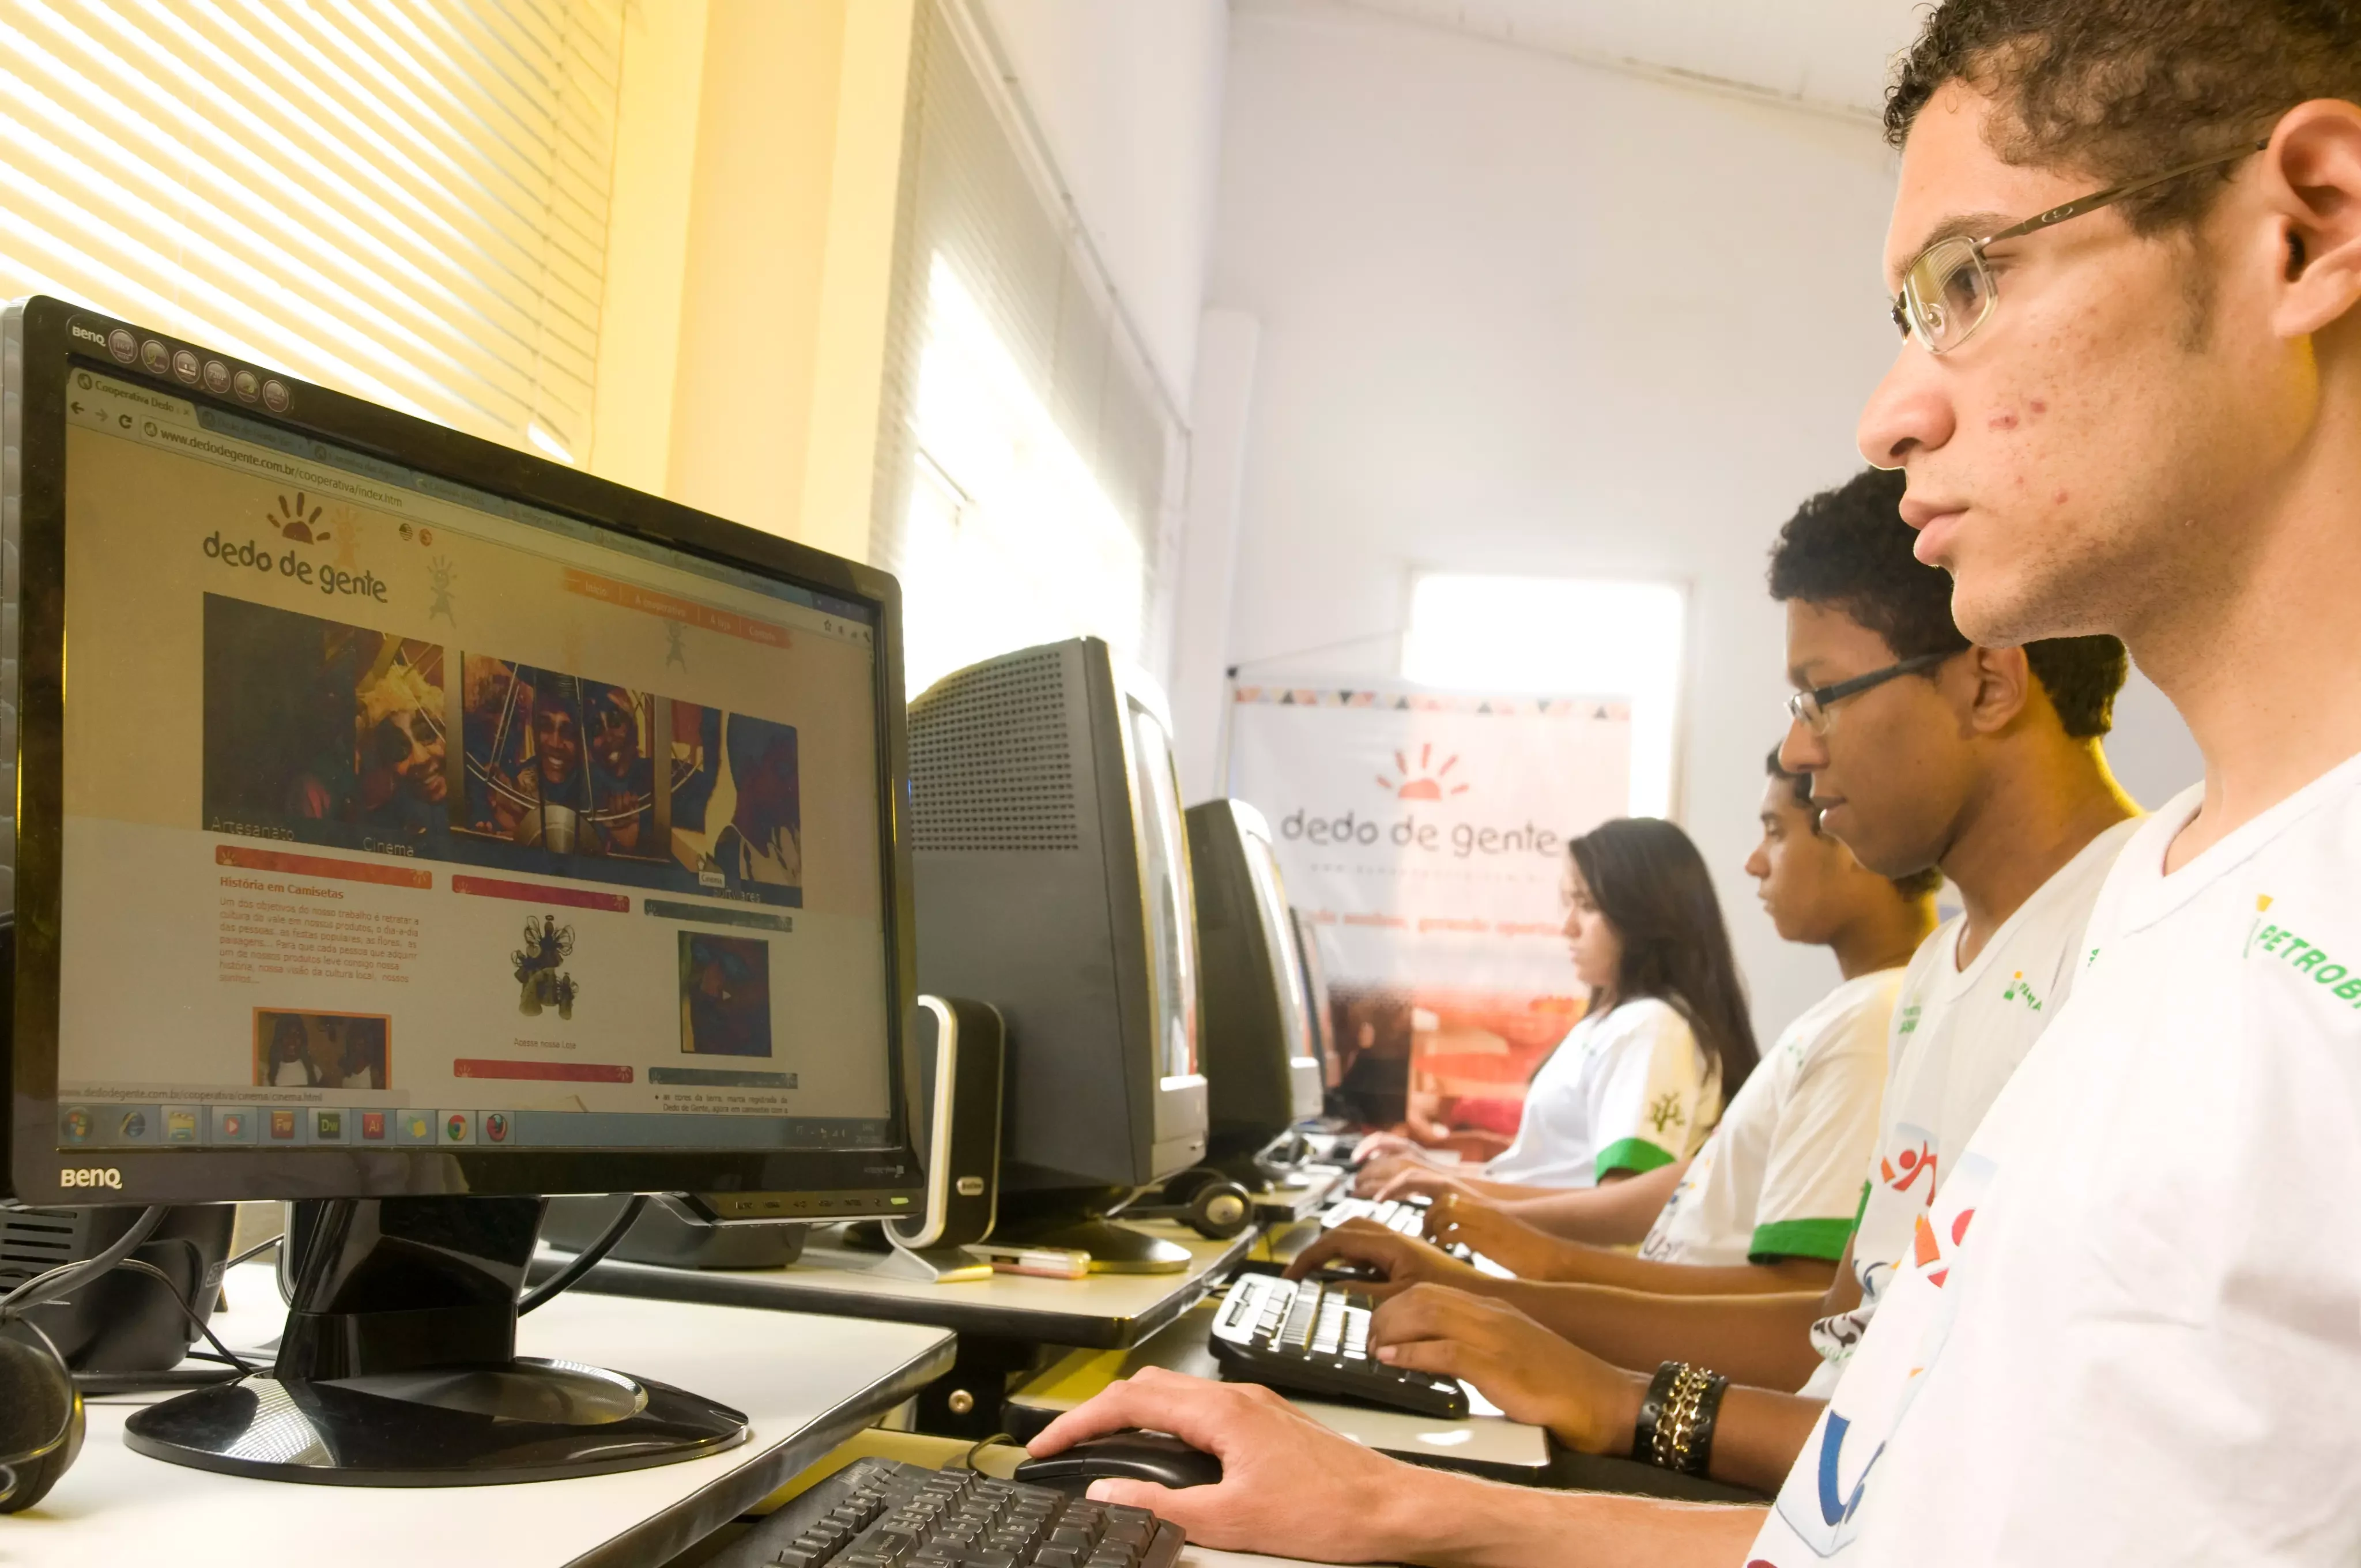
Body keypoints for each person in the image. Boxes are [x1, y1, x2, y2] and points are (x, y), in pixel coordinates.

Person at [1038, 5, 2361, 1560]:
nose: (1893, 410)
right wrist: (1400, 1506)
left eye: (1970, 282)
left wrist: (1559, 1386)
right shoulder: (2181, 895)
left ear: (2306, 227)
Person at [1300, 467, 2139, 1405]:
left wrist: (1610, 1393)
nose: (1796, 751)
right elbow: (1837, 1337)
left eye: (1823, 695)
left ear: (1988, 684)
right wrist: (1507, 1306)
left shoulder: (2151, 941)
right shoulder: (1944, 970)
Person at [1364, 745, 1935, 1299]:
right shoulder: (1845, 1012)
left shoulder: (1864, 1021)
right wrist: (1465, 1190)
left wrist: (1510, 1241)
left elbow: (1798, 1299)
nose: (1752, 860)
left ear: (1857, 836)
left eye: (1774, 830)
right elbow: (1689, 1181)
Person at [1359, 817, 1757, 1197]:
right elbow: (1551, 1178)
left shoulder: (1650, 1028)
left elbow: (1617, 1211)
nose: (1568, 926)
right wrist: (1432, 1171)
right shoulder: (1612, 1020)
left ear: (1645, 915)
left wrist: (1448, 1185)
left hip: (1555, 1265)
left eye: (1586, 905)